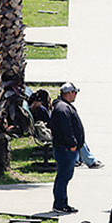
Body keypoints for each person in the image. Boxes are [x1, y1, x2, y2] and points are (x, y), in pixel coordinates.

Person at [49, 82, 85, 214]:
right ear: (69, 93)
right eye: (74, 92)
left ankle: (62, 203)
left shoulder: (64, 107)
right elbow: (66, 129)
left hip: (66, 149)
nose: (75, 95)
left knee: (64, 177)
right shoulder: (62, 108)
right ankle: (60, 204)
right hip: (65, 149)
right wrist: (72, 145)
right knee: (63, 177)